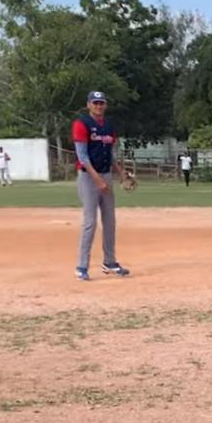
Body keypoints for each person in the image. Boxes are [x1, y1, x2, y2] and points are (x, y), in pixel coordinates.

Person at [71, 90, 132, 281]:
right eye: (95, 102)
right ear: (88, 105)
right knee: (90, 222)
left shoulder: (108, 126)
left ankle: (110, 262)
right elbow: (82, 156)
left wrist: (120, 172)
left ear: (105, 105)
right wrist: (97, 180)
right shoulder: (81, 124)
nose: (98, 106)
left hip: (105, 174)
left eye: (101, 103)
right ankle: (82, 266)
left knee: (109, 221)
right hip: (88, 177)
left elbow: (110, 154)